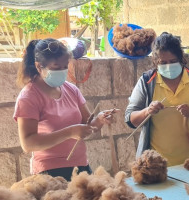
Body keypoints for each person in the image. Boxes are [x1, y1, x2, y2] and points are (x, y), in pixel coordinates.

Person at [14, 38, 117, 181]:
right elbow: (28, 143)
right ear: (39, 66)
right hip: (49, 172)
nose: (62, 71)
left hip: (80, 166)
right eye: (56, 68)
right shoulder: (28, 97)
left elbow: (88, 126)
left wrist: (100, 120)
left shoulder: (71, 90)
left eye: (65, 66)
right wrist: (69, 132)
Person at [125, 32, 189, 167]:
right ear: (156, 62)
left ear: (181, 59)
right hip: (157, 165)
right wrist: (147, 111)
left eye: (173, 61)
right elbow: (130, 119)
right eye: (163, 63)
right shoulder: (147, 82)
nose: (168, 66)